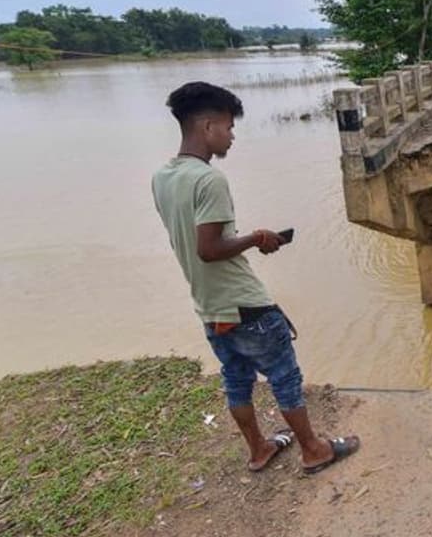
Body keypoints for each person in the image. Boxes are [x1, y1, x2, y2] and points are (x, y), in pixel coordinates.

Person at [152, 81, 358, 475]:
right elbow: (209, 248)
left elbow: (193, 243)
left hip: (209, 305)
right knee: (284, 376)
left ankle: (259, 449)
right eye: (229, 127)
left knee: (236, 378)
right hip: (245, 304)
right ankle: (314, 450)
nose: (232, 136)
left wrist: (244, 240)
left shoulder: (163, 177)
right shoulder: (209, 179)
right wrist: (256, 237)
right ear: (207, 125)